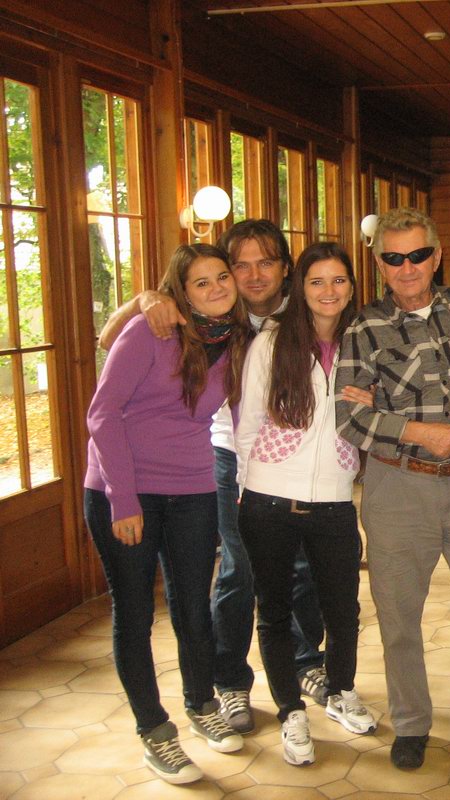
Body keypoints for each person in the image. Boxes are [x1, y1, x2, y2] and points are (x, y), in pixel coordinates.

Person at [98, 220, 329, 734]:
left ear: (285, 268)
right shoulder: (203, 310)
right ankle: (229, 681)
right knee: (238, 567)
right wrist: (143, 300)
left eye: (265, 262)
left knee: (300, 563)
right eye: (240, 265)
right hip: (224, 454)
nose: (252, 275)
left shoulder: (303, 310)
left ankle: (303, 660)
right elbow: (109, 339)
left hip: (295, 456)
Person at [335, 207, 450, 770]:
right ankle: (412, 723)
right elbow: (349, 418)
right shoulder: (363, 328)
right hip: (397, 488)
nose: (408, 267)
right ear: (379, 264)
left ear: (437, 256)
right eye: (394, 258)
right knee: (399, 619)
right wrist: (416, 431)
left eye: (418, 254)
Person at [84, 243, 251, 784]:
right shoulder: (149, 331)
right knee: (135, 613)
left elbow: (242, 414)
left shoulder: (235, 340)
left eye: (221, 276)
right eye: (201, 282)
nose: (216, 288)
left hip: (193, 488)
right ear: (181, 291)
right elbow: (102, 414)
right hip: (124, 489)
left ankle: (201, 703)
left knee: (193, 607)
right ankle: (155, 731)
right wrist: (123, 498)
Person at [235, 242, 375, 766]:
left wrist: (374, 401)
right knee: (273, 611)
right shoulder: (272, 343)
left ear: (352, 287)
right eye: (317, 281)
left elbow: (375, 417)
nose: (328, 291)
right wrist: (251, 487)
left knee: (343, 609)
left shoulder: (361, 342)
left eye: (338, 280)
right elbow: (248, 423)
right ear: (300, 287)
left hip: (334, 499)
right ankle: (290, 711)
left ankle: (340, 692)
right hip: (269, 499)